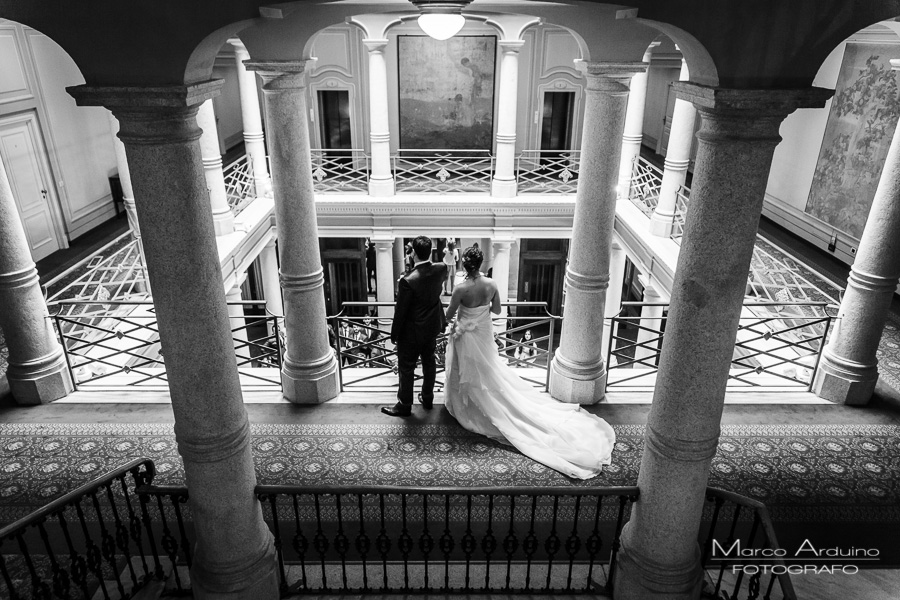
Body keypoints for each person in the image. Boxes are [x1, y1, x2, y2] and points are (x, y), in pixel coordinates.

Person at [443, 246, 616, 479]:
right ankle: (483, 401)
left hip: (465, 335)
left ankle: (469, 407)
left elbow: (449, 314)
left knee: (464, 369)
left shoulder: (460, 288)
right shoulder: (491, 284)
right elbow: (496, 310)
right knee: (487, 369)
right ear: (481, 264)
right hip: (482, 334)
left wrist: (460, 318)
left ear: (464, 265)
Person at [382, 235, 449, 417]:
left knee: (406, 367)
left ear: (413, 253)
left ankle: (404, 405)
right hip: (431, 329)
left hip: (411, 333)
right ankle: (427, 398)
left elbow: (401, 311)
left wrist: (394, 335)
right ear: (430, 251)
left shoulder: (407, 280)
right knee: (429, 363)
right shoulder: (441, 269)